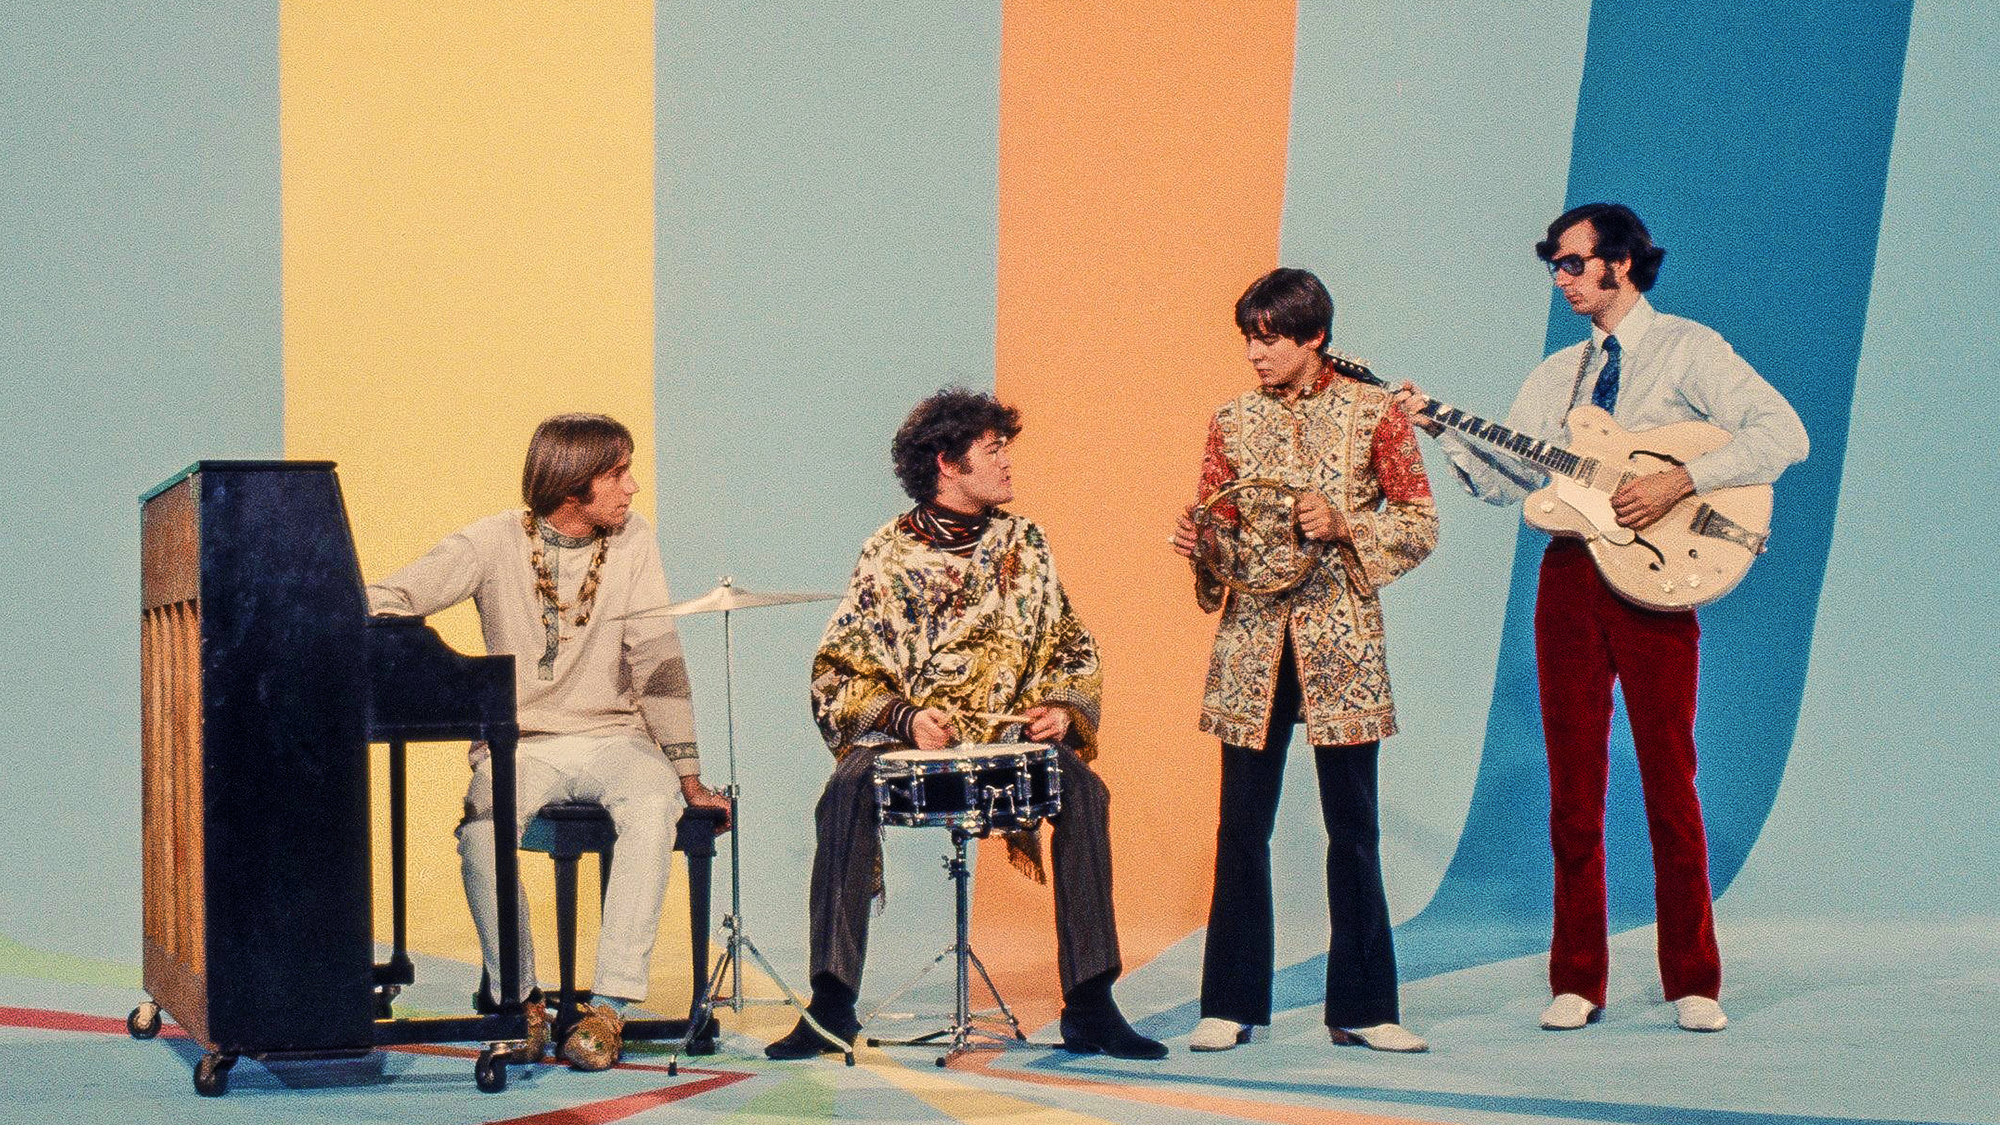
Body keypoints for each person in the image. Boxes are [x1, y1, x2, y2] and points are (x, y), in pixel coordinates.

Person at [1393, 203, 1808, 1033]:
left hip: (1658, 581)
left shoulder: (1691, 349)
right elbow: (1512, 483)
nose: (1562, 276)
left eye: (1574, 262)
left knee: (1668, 778)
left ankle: (1693, 977)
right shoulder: (1558, 377)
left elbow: (1784, 433)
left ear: (1621, 262)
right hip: (1571, 578)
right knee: (1573, 787)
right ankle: (1578, 976)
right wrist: (1442, 428)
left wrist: (1680, 480)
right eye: (1554, 263)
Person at [763, 388, 1167, 1061]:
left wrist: (1062, 711)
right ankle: (831, 1003)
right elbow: (838, 668)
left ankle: (1091, 1003)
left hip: (1005, 743)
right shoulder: (887, 553)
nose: (1008, 459)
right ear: (948, 462)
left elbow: (1069, 644)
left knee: (1083, 787)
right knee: (843, 790)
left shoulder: (1026, 541)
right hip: (910, 743)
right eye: (993, 447)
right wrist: (906, 716)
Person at [367, 413, 730, 1069]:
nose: (633, 487)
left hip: (614, 737)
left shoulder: (634, 540)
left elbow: (657, 659)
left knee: (653, 808)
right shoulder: (493, 540)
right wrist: (375, 634)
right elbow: (390, 593)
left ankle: (609, 1008)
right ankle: (522, 1000)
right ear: (573, 483)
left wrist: (688, 774)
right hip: (521, 744)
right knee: (480, 834)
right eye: (618, 473)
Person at [1170, 268, 1439, 1054]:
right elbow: (1220, 535)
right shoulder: (1231, 421)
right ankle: (1229, 1001)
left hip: (1340, 640)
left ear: (1312, 336)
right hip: (1252, 646)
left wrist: (1346, 522)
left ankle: (1363, 1008)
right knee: (1240, 827)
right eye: (1248, 337)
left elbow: (1420, 522)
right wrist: (1202, 543)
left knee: (1354, 827)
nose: (1254, 352)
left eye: (1270, 337)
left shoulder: (1376, 413)